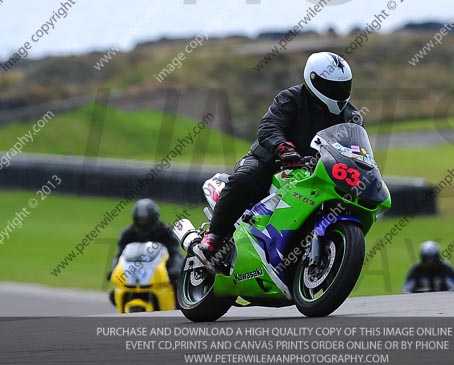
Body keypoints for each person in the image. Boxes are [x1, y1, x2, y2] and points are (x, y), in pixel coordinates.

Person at [194, 52, 363, 269]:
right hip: (271, 161)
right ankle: (214, 236)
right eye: (331, 87)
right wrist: (284, 149)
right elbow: (269, 126)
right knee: (243, 181)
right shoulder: (291, 98)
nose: (338, 93)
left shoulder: (352, 117)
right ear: (312, 80)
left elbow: (356, 148)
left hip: (316, 171)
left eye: (343, 87)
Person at [107, 199, 183, 302]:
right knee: (115, 292)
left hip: (162, 271)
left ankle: (178, 308)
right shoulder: (128, 233)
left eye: (146, 219)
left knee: (177, 285)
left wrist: (175, 270)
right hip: (135, 272)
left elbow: (175, 253)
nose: (143, 222)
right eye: (140, 219)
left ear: (153, 218)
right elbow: (120, 255)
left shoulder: (164, 231)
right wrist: (113, 269)